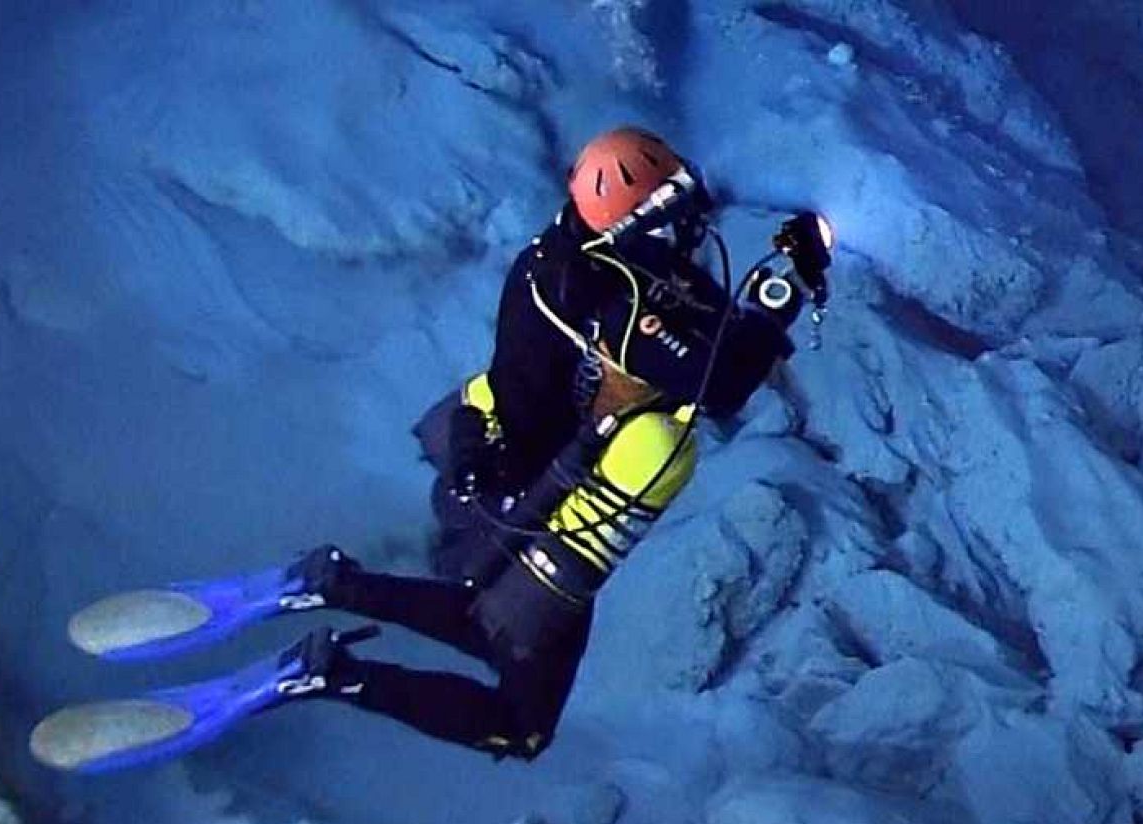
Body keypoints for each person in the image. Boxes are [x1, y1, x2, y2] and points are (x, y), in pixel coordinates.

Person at [263, 126, 832, 760]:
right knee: (520, 718)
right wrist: (786, 289)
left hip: (490, 466)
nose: (686, 218)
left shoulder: (570, 251)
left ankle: (334, 593)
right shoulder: (614, 304)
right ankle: (333, 660)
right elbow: (720, 383)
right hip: (533, 505)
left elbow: (692, 306)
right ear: (636, 222)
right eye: (669, 206)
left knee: (485, 616)